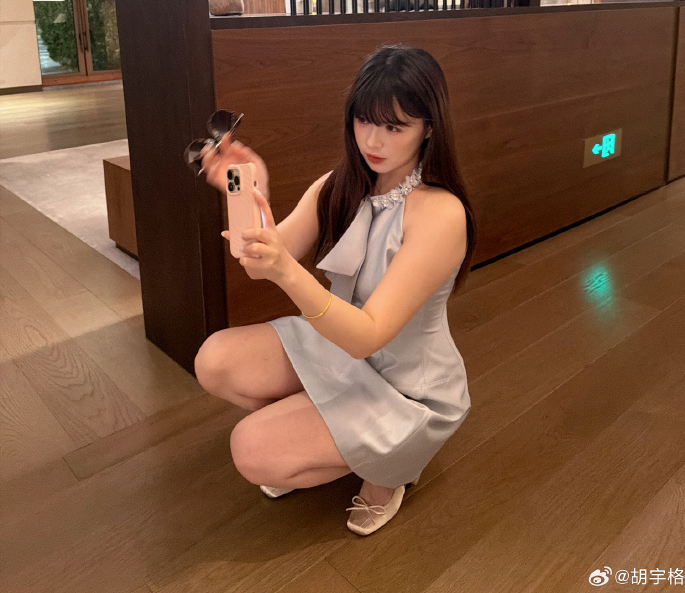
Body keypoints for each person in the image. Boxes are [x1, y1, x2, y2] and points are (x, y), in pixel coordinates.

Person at [195, 44, 477, 536]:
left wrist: (287, 271)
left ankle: (388, 469)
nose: (373, 139)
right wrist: (247, 194)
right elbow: (261, 263)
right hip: (337, 347)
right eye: (364, 120)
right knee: (214, 360)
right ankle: (322, 436)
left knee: (251, 449)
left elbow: (369, 335)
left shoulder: (440, 212)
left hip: (405, 386)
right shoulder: (339, 185)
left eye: (394, 127)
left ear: (429, 128)